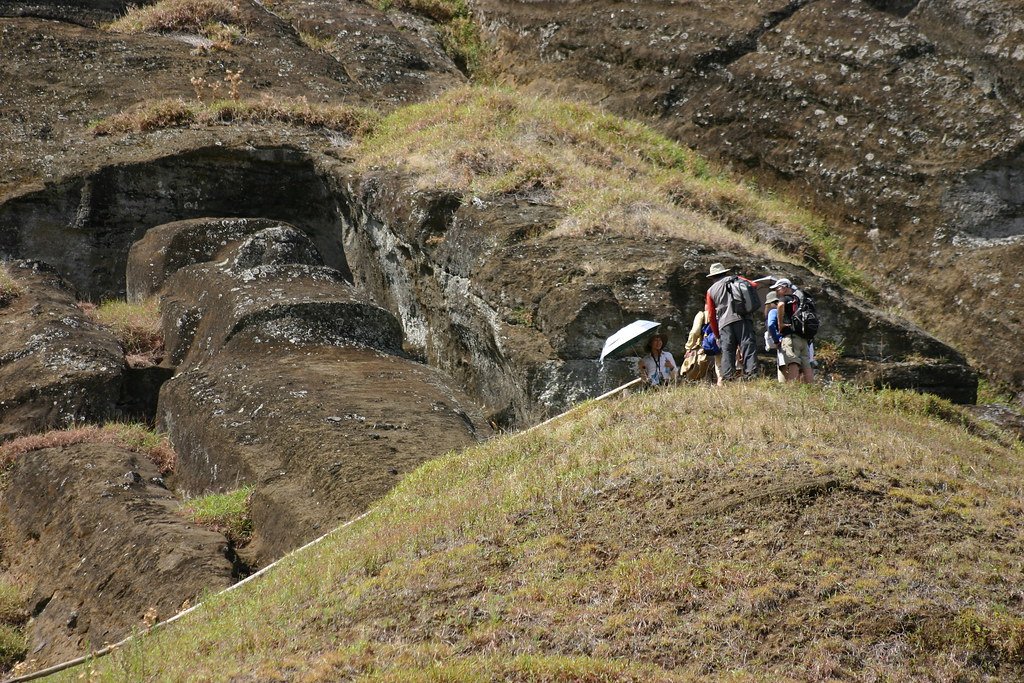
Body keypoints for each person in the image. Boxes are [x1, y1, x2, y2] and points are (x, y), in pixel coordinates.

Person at [705, 262, 761, 381]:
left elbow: (711, 314)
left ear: (712, 277)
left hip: (724, 324)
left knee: (727, 350)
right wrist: (739, 278)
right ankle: (752, 375)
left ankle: (728, 378)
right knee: (747, 345)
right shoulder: (736, 279)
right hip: (743, 318)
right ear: (725, 272)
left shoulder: (710, 291)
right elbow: (754, 284)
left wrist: (716, 334)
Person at [772, 278, 814, 383]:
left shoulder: (786, 298)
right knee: (806, 364)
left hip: (791, 337)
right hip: (804, 338)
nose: (776, 291)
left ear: (785, 287)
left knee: (792, 361)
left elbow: (780, 305)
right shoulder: (801, 300)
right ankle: (810, 387)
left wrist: (780, 324)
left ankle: (792, 388)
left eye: (778, 288)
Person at [682, 308, 721, 383]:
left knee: (704, 376)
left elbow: (695, 332)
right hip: (720, 348)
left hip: (705, 349)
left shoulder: (702, 314)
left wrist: (688, 347)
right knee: (718, 374)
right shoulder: (723, 312)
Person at [763, 290, 785, 382]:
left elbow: (771, 325)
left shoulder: (773, 311)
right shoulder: (786, 309)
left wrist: (776, 340)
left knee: (783, 368)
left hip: (782, 343)